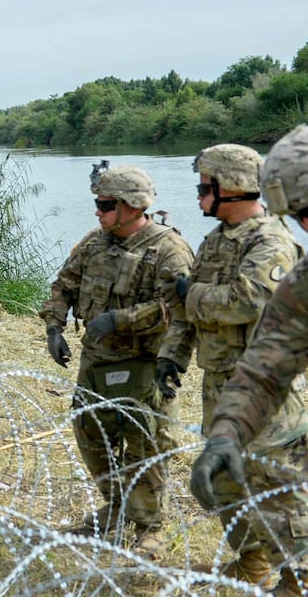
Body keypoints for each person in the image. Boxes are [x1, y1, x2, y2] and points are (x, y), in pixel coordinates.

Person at [157, 143, 306, 586]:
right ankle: (253, 566)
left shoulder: (271, 240)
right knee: (227, 486)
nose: (199, 196)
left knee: (277, 491)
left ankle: (298, 579)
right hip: (220, 384)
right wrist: (171, 356)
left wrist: (191, 294)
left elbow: (251, 299)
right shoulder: (217, 240)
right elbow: (189, 311)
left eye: (205, 187)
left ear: (233, 188)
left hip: (265, 392)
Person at [40, 162, 193, 558]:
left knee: (146, 443)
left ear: (131, 206)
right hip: (96, 362)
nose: (98, 211)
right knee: (93, 437)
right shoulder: (94, 243)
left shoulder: (168, 249)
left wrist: (119, 320)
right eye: (97, 203)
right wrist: (54, 326)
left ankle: (148, 526)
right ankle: (116, 508)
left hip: (144, 362)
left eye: (106, 204)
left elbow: (177, 307)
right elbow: (64, 284)